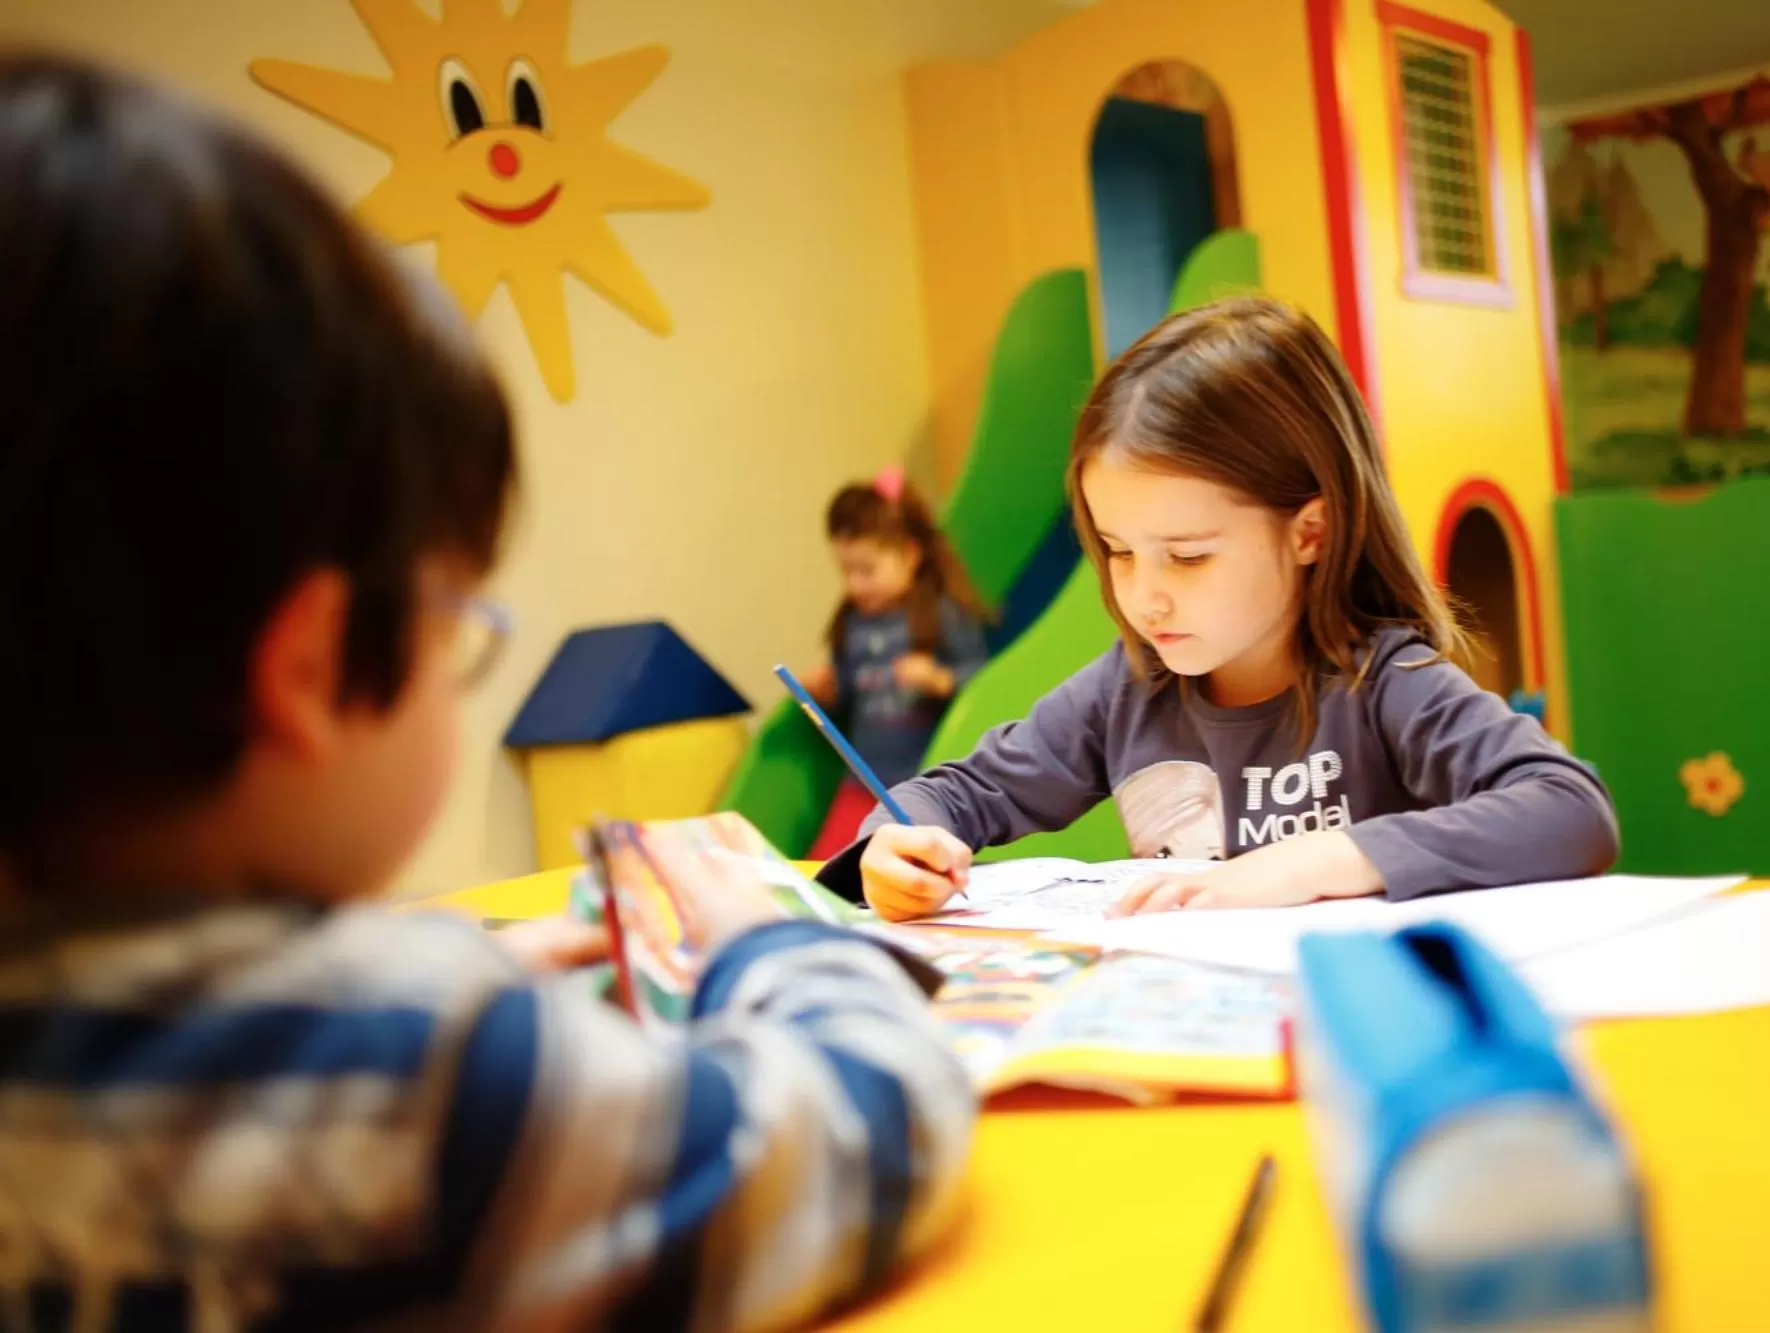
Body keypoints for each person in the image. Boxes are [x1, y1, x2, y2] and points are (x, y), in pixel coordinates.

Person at [0, 54, 971, 1329]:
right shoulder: (414, 1075)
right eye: (458, 624)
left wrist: (443, 964)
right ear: (308, 669)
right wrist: (768, 943)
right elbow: (874, 1128)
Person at [821, 298, 1619, 921]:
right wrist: (891, 846)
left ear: (1310, 531)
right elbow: (956, 795)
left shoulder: (1384, 680)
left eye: (1189, 555)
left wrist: (1321, 860)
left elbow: (1571, 809)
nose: (1144, 594)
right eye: (1119, 550)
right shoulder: (1127, 688)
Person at [800, 469, 989, 858]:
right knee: (834, 865)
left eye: (867, 570)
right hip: (862, 780)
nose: (855, 585)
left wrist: (938, 678)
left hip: (923, 782)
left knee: (909, 864)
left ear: (911, 554)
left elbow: (982, 680)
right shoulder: (850, 623)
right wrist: (827, 692)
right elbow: (847, 705)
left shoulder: (941, 614)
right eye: (846, 571)